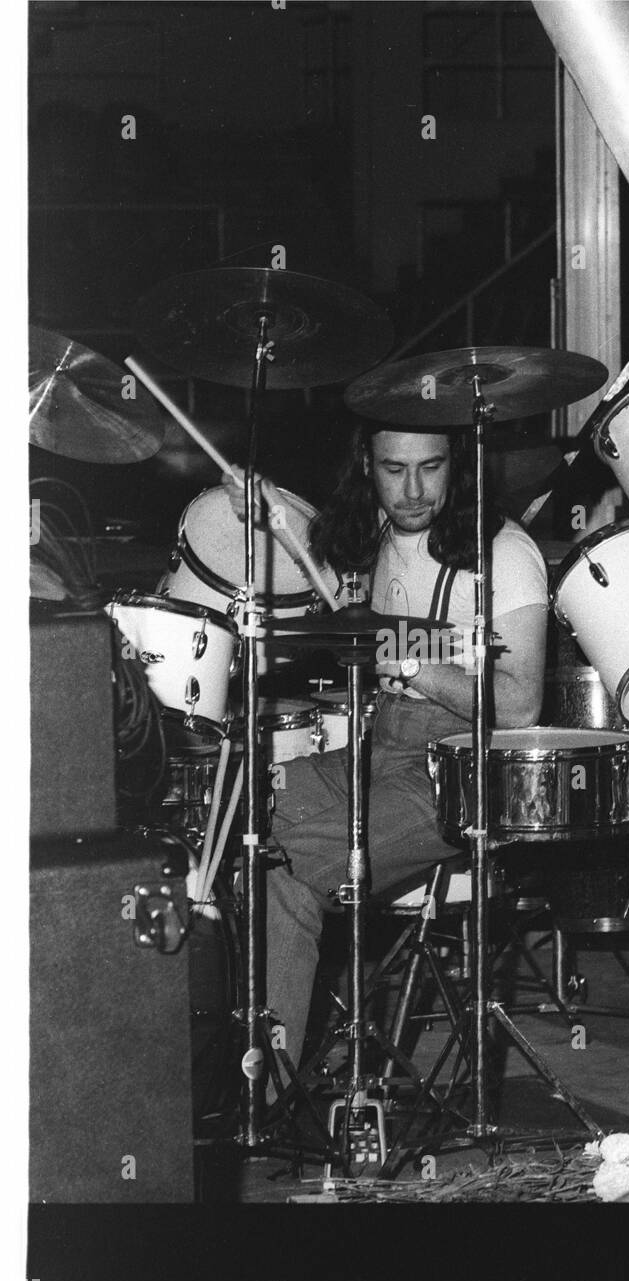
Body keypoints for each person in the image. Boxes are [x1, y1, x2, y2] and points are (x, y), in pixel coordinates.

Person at [226, 421, 548, 1070]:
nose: (411, 489)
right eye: (392, 468)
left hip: (463, 770)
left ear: (457, 468)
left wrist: (402, 658)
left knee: (286, 868)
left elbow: (518, 705)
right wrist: (263, 514)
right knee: (237, 822)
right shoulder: (368, 534)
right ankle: (227, 1055)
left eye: (430, 467)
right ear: (365, 466)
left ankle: (261, 1093)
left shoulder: (502, 553)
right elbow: (307, 548)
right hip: (380, 748)